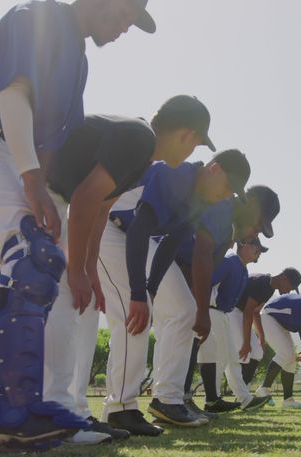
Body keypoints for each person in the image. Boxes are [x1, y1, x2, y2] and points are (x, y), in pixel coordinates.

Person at [0, 0, 156, 451]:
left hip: (8, 157)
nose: (126, 27)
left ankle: (8, 415)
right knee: (33, 257)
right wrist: (31, 181)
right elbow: (13, 92)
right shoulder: (39, 16)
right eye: (125, 13)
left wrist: (39, 186)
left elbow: (49, 140)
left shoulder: (79, 60)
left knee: (54, 276)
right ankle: (15, 412)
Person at [41, 96, 220, 443]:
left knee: (85, 306)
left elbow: (102, 207)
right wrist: (77, 270)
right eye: (197, 142)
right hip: (42, 189)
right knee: (69, 301)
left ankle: (75, 411)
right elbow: (84, 201)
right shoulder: (140, 140)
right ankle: (71, 411)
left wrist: (89, 268)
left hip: (59, 199)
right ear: (186, 134)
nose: (193, 152)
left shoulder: (143, 158)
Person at [99, 150, 251, 434]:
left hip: (141, 240)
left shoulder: (199, 200)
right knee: (135, 316)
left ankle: (167, 400)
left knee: (184, 310)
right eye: (229, 187)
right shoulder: (177, 173)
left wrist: (152, 289)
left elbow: (169, 245)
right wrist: (138, 294)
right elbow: (140, 227)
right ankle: (120, 408)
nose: (228, 195)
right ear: (215, 169)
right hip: (108, 227)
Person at [190, 238, 273, 414]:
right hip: (212, 311)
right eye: (257, 249)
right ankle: (225, 400)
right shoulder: (229, 262)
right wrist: (201, 310)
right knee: (221, 358)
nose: (259, 254)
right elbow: (207, 282)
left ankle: (230, 399)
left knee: (229, 358)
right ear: (243, 245)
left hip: (222, 314)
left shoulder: (242, 268)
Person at [241, 268, 301, 401]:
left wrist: (262, 337)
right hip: (233, 312)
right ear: (284, 278)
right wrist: (246, 342)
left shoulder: (270, 288)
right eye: (289, 287)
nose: (288, 291)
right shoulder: (263, 282)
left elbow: (256, 312)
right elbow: (248, 311)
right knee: (247, 353)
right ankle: (243, 395)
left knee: (256, 352)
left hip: (240, 315)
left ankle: (243, 394)